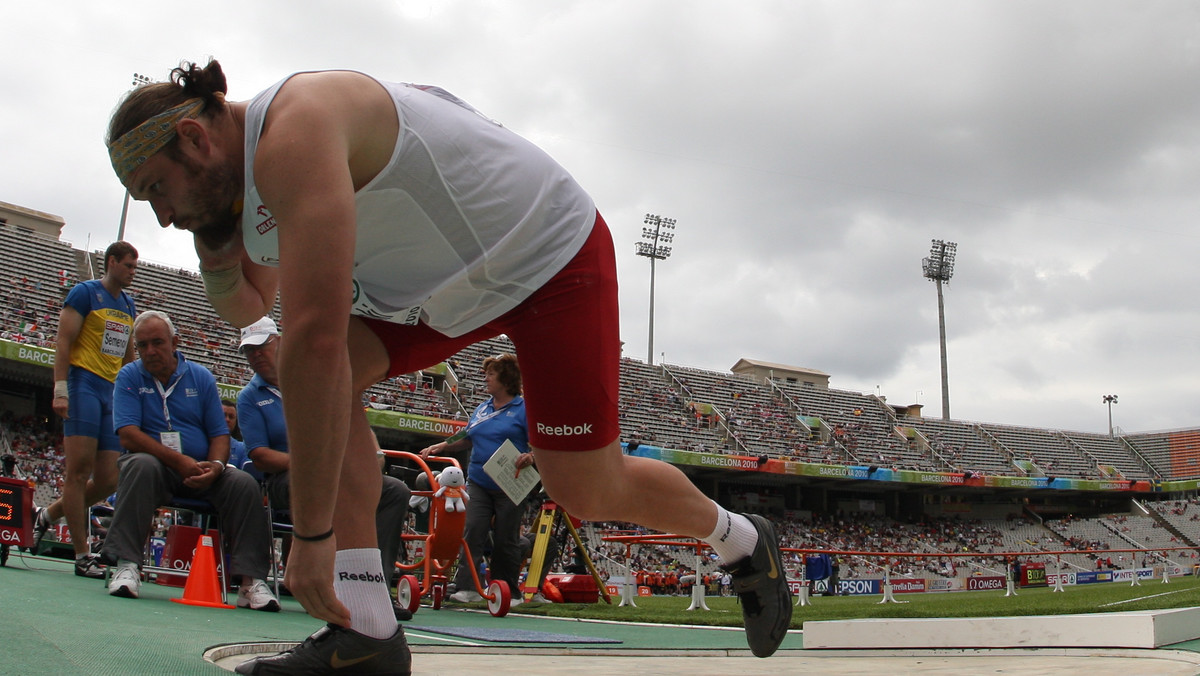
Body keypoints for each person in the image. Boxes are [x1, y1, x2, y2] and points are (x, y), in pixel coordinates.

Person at [106, 59, 790, 673]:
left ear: (196, 141)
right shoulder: (249, 180)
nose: (161, 216)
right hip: (443, 287)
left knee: (583, 486)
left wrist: (312, 535)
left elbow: (311, 339)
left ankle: (737, 535)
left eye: (156, 190)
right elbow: (250, 302)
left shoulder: (295, 131)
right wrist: (214, 243)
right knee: (330, 376)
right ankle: (368, 630)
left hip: (546, 255)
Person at [235, 316, 412, 619]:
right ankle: (336, 581)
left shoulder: (314, 378)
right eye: (249, 351)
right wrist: (312, 461)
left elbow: (356, 421)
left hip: (331, 469)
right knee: (328, 484)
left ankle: (375, 585)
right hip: (287, 479)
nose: (256, 356)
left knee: (395, 490)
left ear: (278, 342)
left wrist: (372, 453)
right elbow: (261, 456)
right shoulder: (249, 397)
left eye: (260, 347)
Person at [101, 310, 279, 612]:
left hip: (200, 469)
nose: (150, 351)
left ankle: (251, 581)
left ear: (175, 342)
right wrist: (178, 460)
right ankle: (128, 565)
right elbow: (128, 434)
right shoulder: (129, 375)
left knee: (243, 483)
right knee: (139, 465)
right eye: (142, 345)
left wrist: (217, 467)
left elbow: (220, 434)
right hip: (156, 467)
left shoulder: (201, 377)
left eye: (157, 343)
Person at [34, 241, 138, 578]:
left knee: (109, 479)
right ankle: (82, 555)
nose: (133, 272)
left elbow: (127, 356)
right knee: (78, 471)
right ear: (111, 262)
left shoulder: (128, 304)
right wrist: (60, 389)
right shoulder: (84, 293)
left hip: (111, 391)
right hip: (82, 385)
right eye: (129, 265)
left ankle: (47, 515)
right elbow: (63, 341)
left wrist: (132, 395)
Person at [420, 353, 533, 605]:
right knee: (472, 531)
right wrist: (441, 445)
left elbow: (539, 442)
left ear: (506, 378)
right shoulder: (482, 408)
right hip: (478, 481)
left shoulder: (523, 408)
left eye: (491, 374)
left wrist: (531, 456)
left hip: (510, 482)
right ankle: (468, 587)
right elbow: (466, 435)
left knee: (506, 537)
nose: (486, 379)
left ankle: (507, 591)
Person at [221, 399, 249, 472]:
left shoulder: (243, 448)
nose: (227, 419)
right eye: (223, 415)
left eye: (231, 417)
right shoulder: (202, 443)